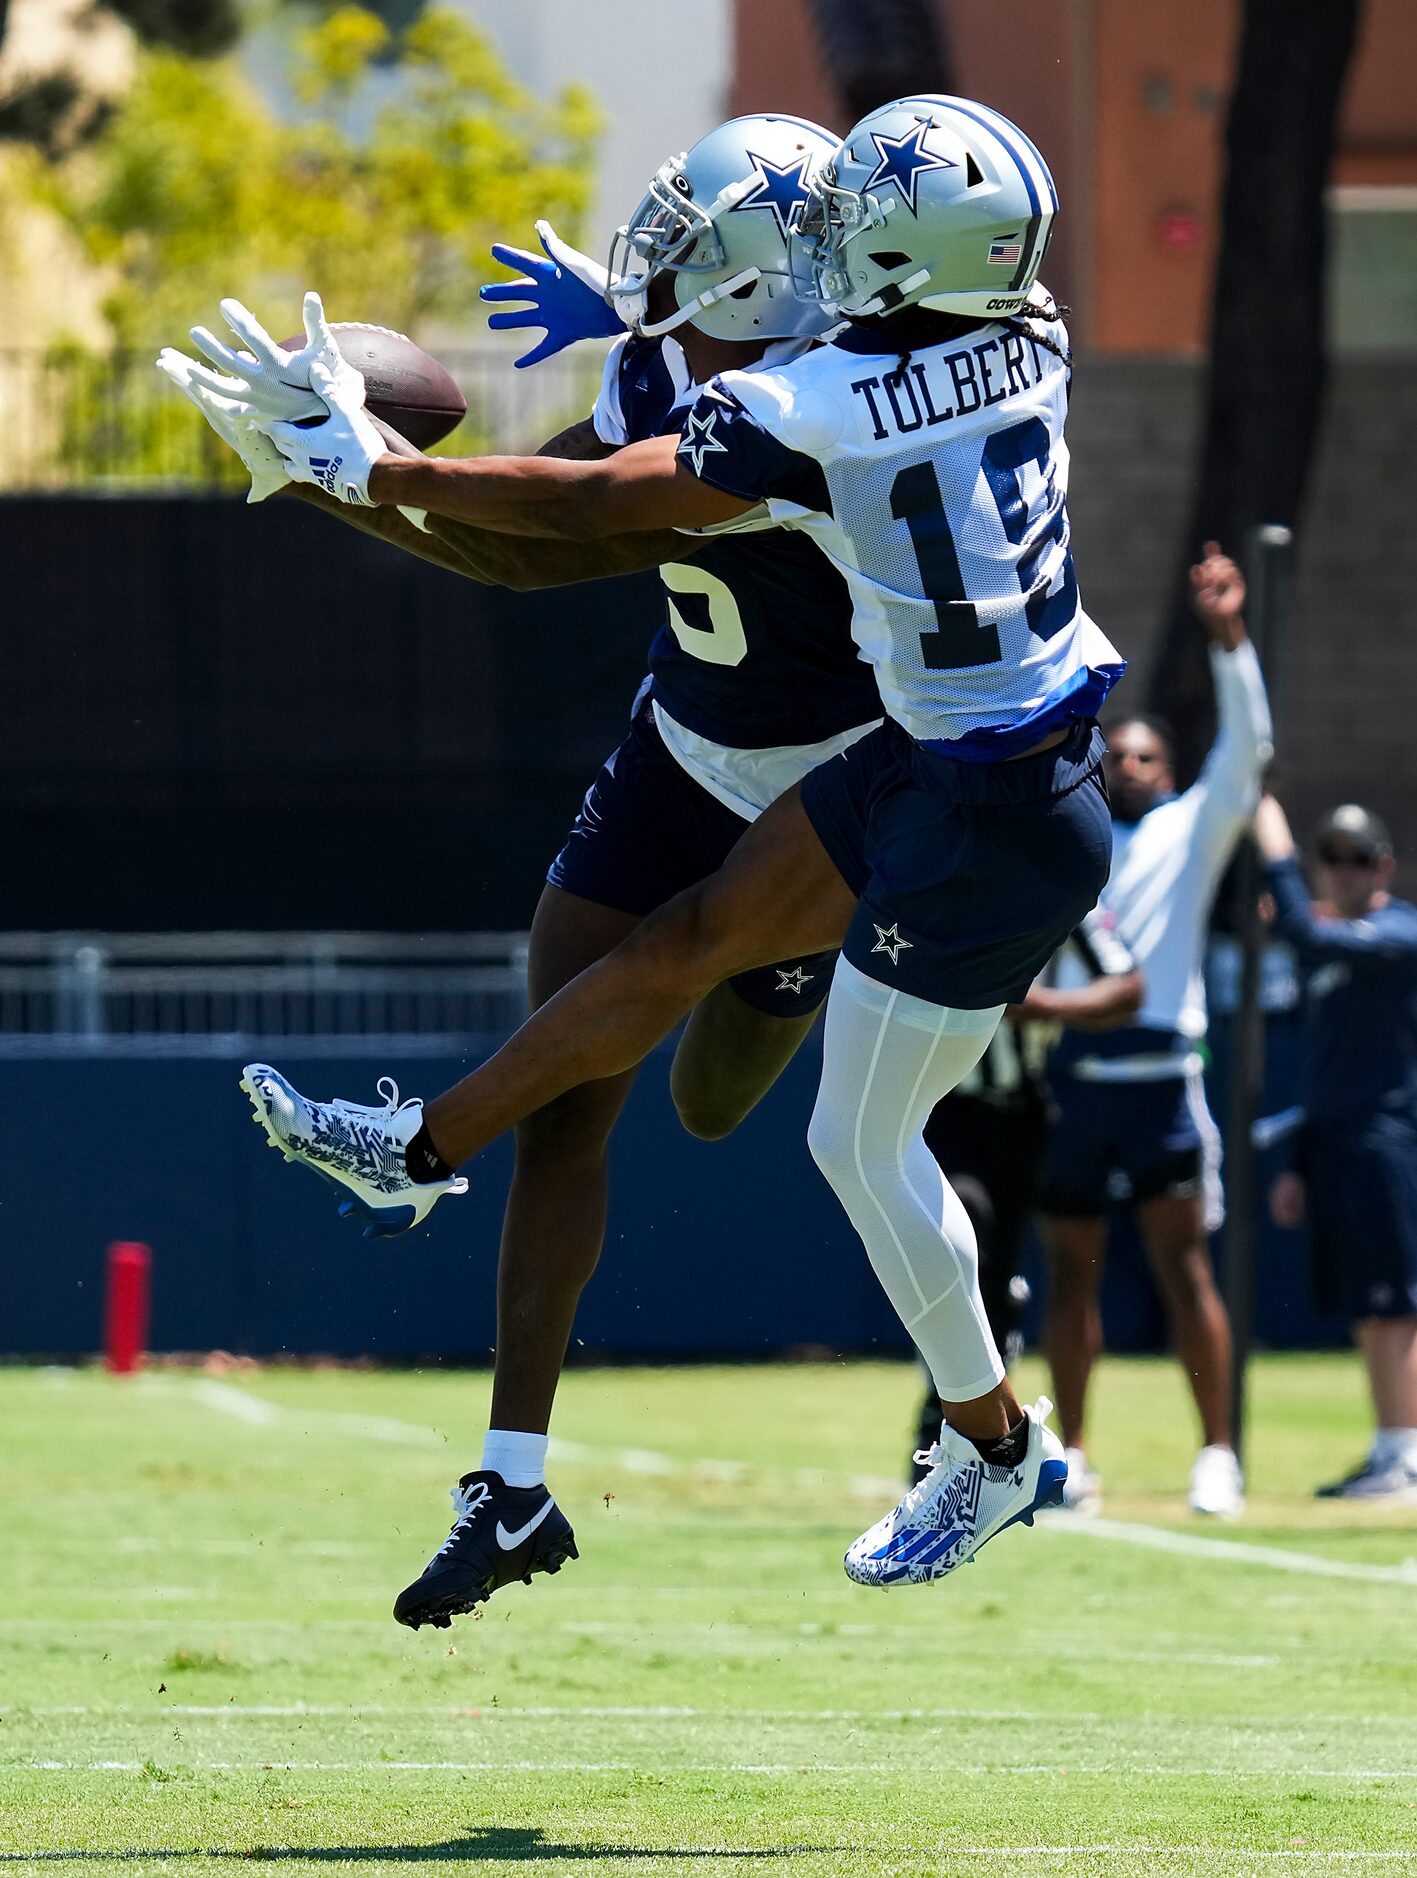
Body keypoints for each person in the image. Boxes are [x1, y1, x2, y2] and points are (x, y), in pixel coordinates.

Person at [205, 94, 1127, 1612]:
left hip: (949, 791)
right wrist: (645, 311)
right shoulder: (1029, 329)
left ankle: (996, 1440)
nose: (822, 239)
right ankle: (423, 1170)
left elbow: (564, 517)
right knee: (659, 966)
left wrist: (355, 471)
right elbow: (850, 313)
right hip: (892, 750)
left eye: (839, 227)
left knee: (786, 1124)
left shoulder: (814, 405)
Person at [1036, 544, 1272, 1517]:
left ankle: (1217, 1453)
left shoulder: (1187, 831)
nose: (1128, 768)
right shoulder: (1070, 832)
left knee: (1184, 1270)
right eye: (1117, 756)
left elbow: (1247, 753)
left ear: (1169, 770)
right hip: (1079, 1077)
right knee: (1068, 1272)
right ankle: (1075, 1455)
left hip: (1162, 1075)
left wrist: (1228, 639)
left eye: (1145, 758)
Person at [909, 906, 1141, 1473]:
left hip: (1025, 1111)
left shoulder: (1065, 888)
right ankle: (949, 1415)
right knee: (970, 1233)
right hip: (945, 1103)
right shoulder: (935, 875)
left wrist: (1040, 1006)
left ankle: (974, 1432)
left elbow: (1128, 987)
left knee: (1001, 1278)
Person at [1257, 795, 1417, 1502]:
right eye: (1333, 859)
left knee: (1395, 1304)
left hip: (1386, 1141)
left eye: (1359, 859)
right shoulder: (1329, 942)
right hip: (1334, 1143)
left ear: (1382, 865)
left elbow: (1301, 932)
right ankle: (1389, 1447)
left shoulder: (1398, 934)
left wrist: (1272, 848)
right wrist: (1296, 1162)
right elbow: (1324, 1069)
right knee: (1367, 1304)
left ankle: (1405, 1454)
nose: (1345, 873)